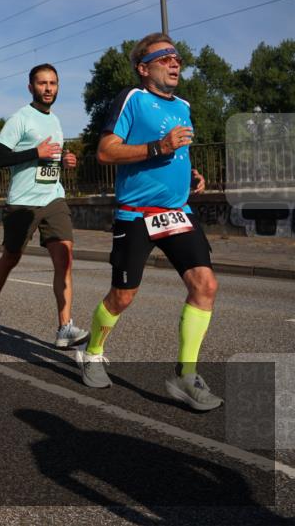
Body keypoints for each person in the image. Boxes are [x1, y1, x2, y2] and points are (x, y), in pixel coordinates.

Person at [77, 33, 220, 411]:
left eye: (176, 58)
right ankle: (92, 352)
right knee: (123, 296)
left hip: (177, 212)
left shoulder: (184, 106)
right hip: (137, 215)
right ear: (144, 69)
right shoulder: (132, 99)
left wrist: (190, 173)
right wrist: (159, 148)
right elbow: (106, 151)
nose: (175, 63)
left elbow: (176, 152)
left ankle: (185, 376)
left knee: (205, 285)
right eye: (164, 58)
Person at [0, 64, 88, 348]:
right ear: (31, 87)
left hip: (53, 197)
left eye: (53, 83)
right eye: (42, 83)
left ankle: (65, 326)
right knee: (11, 257)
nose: (48, 88)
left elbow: (51, 158)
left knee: (65, 257)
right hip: (23, 202)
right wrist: (34, 153)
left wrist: (65, 161)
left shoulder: (57, 120)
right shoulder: (20, 119)